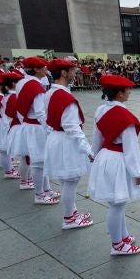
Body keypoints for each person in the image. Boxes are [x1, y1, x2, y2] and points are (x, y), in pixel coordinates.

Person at [88, 75, 140, 255]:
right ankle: (117, 245)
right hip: (118, 160)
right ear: (119, 94)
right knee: (116, 205)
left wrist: (94, 154)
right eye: (127, 89)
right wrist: (137, 173)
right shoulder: (126, 117)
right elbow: (131, 149)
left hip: (105, 156)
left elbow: (97, 136)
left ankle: (123, 235)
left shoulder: (101, 110)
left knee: (118, 202)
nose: (129, 92)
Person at [44, 59, 94, 230]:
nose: (75, 73)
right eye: (72, 70)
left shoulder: (50, 92)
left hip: (57, 137)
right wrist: (88, 149)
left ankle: (72, 212)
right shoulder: (65, 96)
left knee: (67, 180)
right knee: (70, 181)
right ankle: (69, 218)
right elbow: (72, 128)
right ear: (64, 73)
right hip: (66, 141)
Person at [14, 57, 60, 205]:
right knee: (39, 161)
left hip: (29, 124)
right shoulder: (35, 86)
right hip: (36, 127)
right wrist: (49, 129)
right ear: (36, 69)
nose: (46, 70)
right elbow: (40, 113)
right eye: (44, 67)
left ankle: (46, 189)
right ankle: (40, 194)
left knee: (41, 160)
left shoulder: (22, 82)